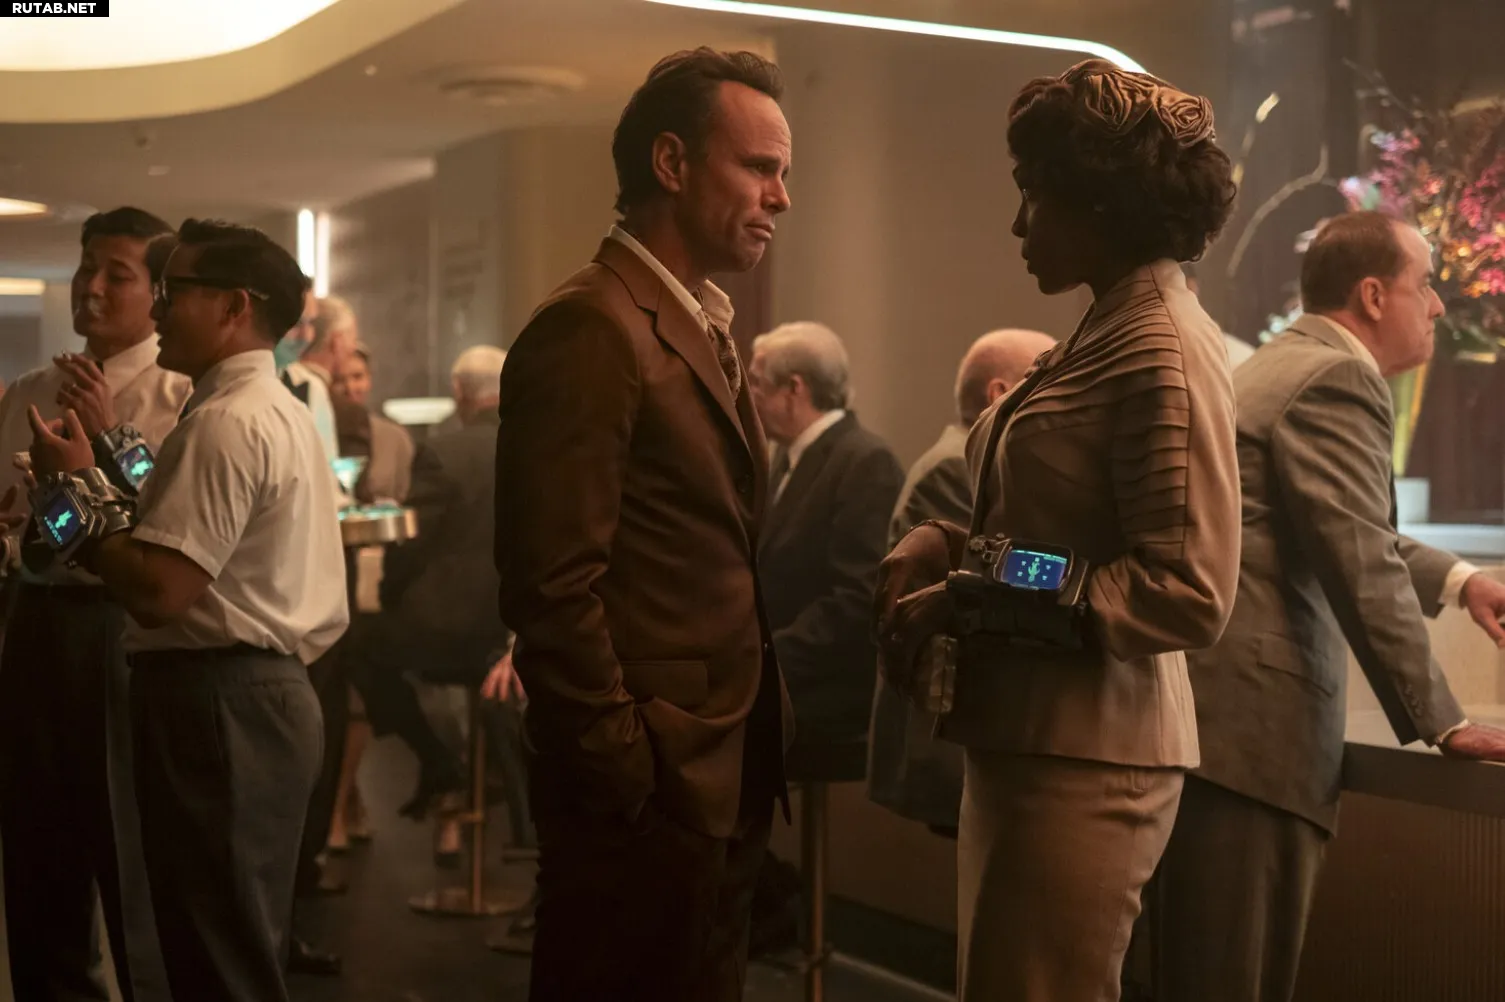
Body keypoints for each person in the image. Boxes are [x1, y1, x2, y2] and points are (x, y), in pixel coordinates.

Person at [876, 58, 1241, 1002]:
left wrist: (969, 589)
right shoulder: (1107, 328)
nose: (1016, 224)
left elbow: (1185, 588)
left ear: (1099, 204)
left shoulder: (1156, 343)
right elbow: (1060, 529)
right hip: (1042, 745)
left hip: (1091, 754)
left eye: (1031, 194)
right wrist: (951, 544)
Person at [494, 46, 794, 1002]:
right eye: (759, 167)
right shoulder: (592, 323)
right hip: (650, 786)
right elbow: (550, 586)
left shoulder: (694, 319)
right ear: (671, 164)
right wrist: (625, 768)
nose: (780, 197)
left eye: (781, 172)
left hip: (711, 771)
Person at [1152, 211, 1505, 1002]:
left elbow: (1336, 526)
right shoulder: (1336, 378)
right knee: (1231, 980)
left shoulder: (1282, 363)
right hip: (1253, 741)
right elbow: (1359, 559)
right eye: (1426, 286)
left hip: (1214, 728)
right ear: (1373, 296)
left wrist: (1458, 580)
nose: (1437, 307)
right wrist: (1443, 721)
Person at [25, 218, 348, 1002]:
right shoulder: (267, 406)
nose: (159, 308)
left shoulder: (222, 418)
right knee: (219, 940)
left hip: (216, 696)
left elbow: (160, 590)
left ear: (235, 307)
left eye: (173, 290)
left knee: (210, 954)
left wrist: (67, 493)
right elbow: (178, 522)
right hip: (247, 689)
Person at [0, 206, 187, 1002]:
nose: (95, 288)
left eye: (119, 274)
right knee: (35, 856)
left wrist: (109, 443)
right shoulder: (30, 390)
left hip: (119, 627)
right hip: (31, 622)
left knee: (127, 852)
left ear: (158, 292)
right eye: (87, 269)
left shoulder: (180, 395)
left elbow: (171, 527)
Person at [745, 321, 903, 953]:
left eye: (757, 383)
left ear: (795, 388)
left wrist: (757, 662)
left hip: (828, 692)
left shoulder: (863, 461)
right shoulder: (788, 461)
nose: (749, 394)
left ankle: (771, 905)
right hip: (783, 676)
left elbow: (855, 601)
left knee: (688, 745)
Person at [866, 327, 1054, 836]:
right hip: (949, 725)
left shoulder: (966, 459)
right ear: (999, 393)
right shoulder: (958, 467)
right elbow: (989, 581)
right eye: (1045, 383)